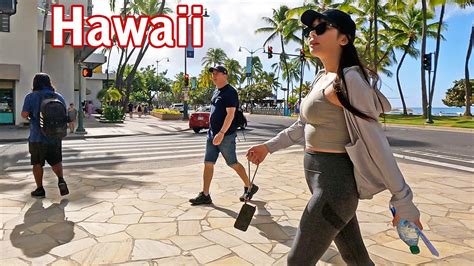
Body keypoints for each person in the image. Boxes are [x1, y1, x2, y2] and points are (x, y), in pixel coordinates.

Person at [246, 9, 422, 265]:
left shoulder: (349, 81)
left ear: (343, 38)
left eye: (321, 29)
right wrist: (268, 147)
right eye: (309, 30)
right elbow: (302, 125)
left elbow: (376, 142)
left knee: (297, 261)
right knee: (357, 259)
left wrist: (403, 200)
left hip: (334, 190)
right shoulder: (322, 78)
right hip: (322, 183)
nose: (311, 35)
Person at [189, 66, 258, 205]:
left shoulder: (230, 92)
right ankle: (205, 194)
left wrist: (221, 133)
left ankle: (249, 185)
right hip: (212, 134)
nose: (213, 76)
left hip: (225, 136)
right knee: (208, 163)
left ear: (225, 75)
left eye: (217, 73)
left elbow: (230, 114)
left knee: (232, 163)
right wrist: (213, 132)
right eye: (213, 74)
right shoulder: (216, 91)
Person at [21, 73, 69, 198]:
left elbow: (24, 114)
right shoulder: (58, 96)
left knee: (37, 163)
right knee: (56, 161)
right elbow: (64, 114)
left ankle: (40, 189)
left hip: (37, 137)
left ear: (35, 83)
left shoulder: (31, 97)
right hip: (55, 136)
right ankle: (61, 180)